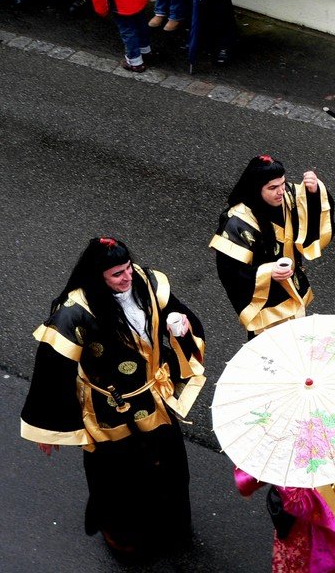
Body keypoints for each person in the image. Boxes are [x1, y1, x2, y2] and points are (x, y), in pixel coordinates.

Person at [20, 237, 206, 559]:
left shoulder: (146, 282)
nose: (127, 277)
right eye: (117, 274)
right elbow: (52, 367)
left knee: (171, 467)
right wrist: (47, 428)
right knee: (118, 480)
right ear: (98, 276)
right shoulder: (75, 312)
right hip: (108, 410)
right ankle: (125, 541)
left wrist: (182, 326)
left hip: (153, 398)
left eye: (128, 268)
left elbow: (175, 310)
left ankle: (172, 527)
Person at [210, 154, 334, 337]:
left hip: (291, 284)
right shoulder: (237, 222)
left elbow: (307, 204)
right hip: (264, 297)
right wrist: (267, 272)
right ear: (256, 188)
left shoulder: (286, 196)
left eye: (282, 184)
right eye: (273, 187)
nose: (281, 191)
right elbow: (230, 271)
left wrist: (314, 192)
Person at [234, 468, 335, 572]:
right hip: (327, 507)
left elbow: (261, 466)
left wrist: (247, 485)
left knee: (301, 558)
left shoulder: (279, 446)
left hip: (299, 519)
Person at [89, 0, 152, 72]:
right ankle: (145, 51)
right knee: (141, 24)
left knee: (128, 31)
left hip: (121, 2)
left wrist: (102, 11)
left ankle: (135, 62)